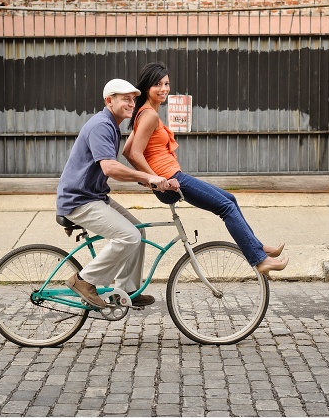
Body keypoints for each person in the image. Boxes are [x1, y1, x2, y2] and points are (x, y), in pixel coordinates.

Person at [122, 61, 289, 278]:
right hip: (171, 178)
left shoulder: (145, 113)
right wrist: (153, 180)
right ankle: (259, 260)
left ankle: (256, 247)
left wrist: (150, 180)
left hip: (170, 177)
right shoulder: (149, 115)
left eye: (166, 84)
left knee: (230, 199)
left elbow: (127, 151)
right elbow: (134, 153)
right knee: (226, 208)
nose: (163, 89)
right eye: (157, 84)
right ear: (147, 87)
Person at [57, 78, 171, 309]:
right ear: (109, 101)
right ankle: (84, 280)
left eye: (133, 99)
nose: (131, 104)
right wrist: (148, 177)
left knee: (139, 232)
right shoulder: (102, 125)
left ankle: (126, 290)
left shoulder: (110, 125)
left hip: (94, 196)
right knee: (129, 236)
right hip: (80, 200)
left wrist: (148, 180)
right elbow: (109, 168)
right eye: (125, 99)